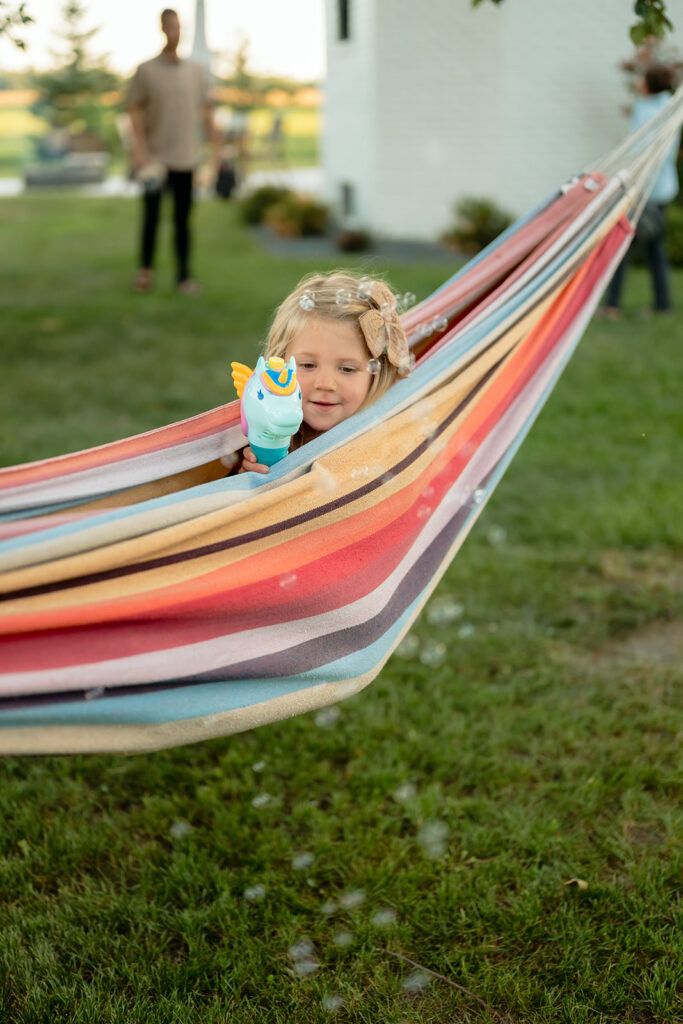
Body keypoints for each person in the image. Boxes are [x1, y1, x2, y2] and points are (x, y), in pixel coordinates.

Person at [236, 271, 411, 474]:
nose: (326, 383)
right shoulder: (252, 428)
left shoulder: (384, 445)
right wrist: (246, 478)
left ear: (375, 374)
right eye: (308, 365)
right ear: (279, 364)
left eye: (347, 369)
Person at [126, 8, 220, 295]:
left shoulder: (195, 71)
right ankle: (145, 271)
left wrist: (217, 153)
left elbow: (207, 115)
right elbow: (133, 111)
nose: (175, 32)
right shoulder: (146, 70)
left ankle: (183, 277)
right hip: (155, 159)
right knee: (151, 217)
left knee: (182, 220)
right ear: (162, 29)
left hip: (186, 158)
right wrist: (140, 150)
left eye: (178, 27)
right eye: (170, 27)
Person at [604, 65, 681, 317]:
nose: (637, 81)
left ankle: (612, 305)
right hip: (662, 189)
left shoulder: (646, 110)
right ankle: (663, 305)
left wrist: (627, 181)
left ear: (648, 83)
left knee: (622, 245)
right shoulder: (669, 108)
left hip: (643, 189)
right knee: (655, 248)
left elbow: (641, 151)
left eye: (642, 77)